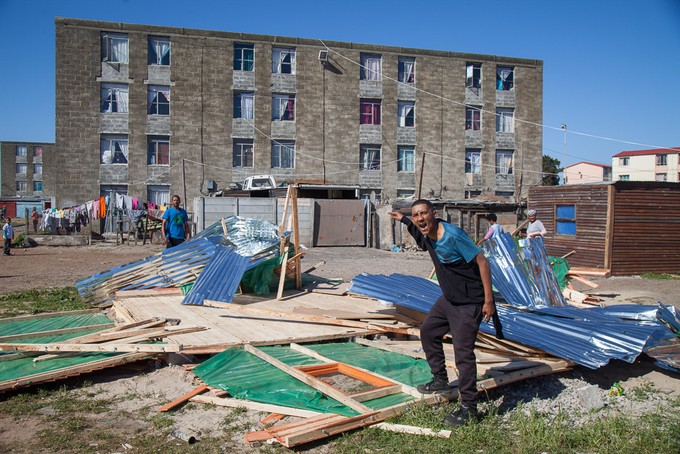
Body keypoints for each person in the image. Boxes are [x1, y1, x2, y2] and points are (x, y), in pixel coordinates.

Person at [389, 200, 497, 426]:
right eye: (416, 215)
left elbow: (483, 262)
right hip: (449, 299)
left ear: (434, 214)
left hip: (469, 302)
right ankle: (440, 380)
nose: (419, 218)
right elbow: (420, 237)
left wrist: (488, 301)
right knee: (428, 332)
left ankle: (469, 408)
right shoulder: (427, 233)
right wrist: (405, 220)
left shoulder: (452, 235)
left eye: (423, 214)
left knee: (463, 354)